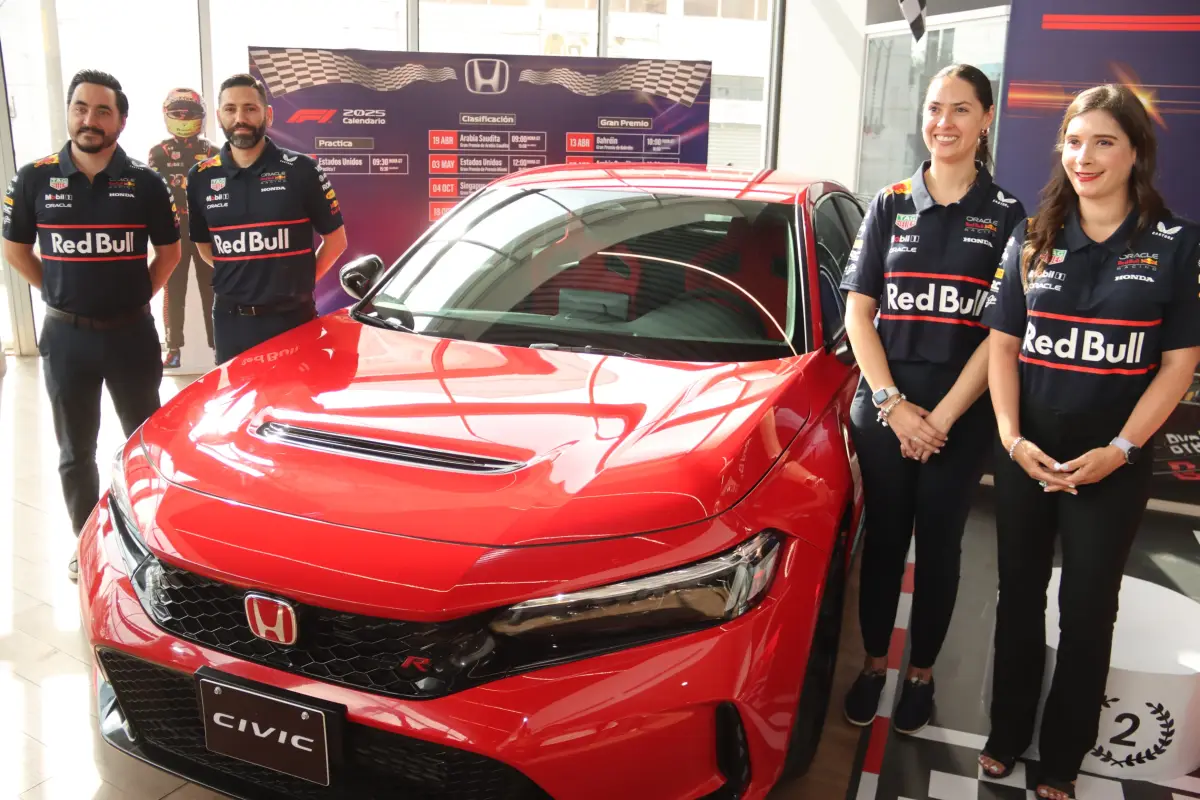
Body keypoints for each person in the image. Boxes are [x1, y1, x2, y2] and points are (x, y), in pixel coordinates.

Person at [978, 84, 1200, 800]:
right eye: (1074, 141)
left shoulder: (1175, 243)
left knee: (1086, 609)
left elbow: (1179, 364)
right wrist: (1011, 439)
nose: (1085, 156)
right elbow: (1003, 347)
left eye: (1104, 141)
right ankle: (1006, 734)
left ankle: (1064, 757)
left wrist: (1124, 450)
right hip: (1028, 457)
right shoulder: (1033, 237)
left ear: (1136, 152)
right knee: (1016, 599)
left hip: (1114, 463)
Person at [838, 64, 1026, 734]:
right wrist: (892, 406)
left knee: (940, 547)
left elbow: (1002, 333)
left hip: (959, 418)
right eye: (934, 107)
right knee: (884, 541)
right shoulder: (889, 202)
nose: (943, 122)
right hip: (887, 412)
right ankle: (871, 665)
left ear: (986, 120)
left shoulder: (1007, 214)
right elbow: (859, 315)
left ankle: (921, 675)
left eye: (962, 110)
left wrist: (941, 418)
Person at [1, 69, 181, 580]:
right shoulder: (35, 177)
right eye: (81, 107)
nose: (90, 119)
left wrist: (133, 297)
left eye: (103, 110)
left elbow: (168, 254)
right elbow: (15, 250)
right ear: (69, 111)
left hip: (131, 336)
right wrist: (58, 294)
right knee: (74, 451)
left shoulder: (146, 181)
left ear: (121, 120)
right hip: (66, 338)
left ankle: (152, 546)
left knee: (144, 446)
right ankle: (87, 545)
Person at [186, 74, 347, 364]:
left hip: (292, 318)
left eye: (250, 108)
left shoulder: (302, 169)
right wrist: (245, 273)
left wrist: (300, 282)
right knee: (237, 406)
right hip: (230, 321)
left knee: (295, 404)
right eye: (230, 109)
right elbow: (205, 247)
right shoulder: (200, 176)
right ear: (220, 116)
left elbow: (336, 241)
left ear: (267, 115)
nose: (240, 117)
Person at [148, 88, 219, 368]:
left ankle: (217, 345)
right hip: (174, 229)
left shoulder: (214, 152)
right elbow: (156, 194)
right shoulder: (158, 152)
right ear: (166, 115)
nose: (183, 118)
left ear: (200, 117)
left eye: (188, 113)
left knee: (211, 288)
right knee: (173, 289)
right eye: (176, 113)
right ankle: (173, 347)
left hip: (206, 230)